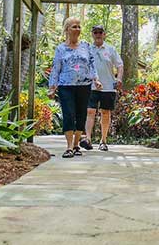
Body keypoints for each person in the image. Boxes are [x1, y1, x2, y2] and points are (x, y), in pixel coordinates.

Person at [47, 17, 101, 159]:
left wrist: (96, 79)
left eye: (79, 26)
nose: (77, 29)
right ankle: (69, 147)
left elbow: (91, 65)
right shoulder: (61, 49)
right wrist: (52, 87)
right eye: (74, 27)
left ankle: (77, 145)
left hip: (84, 85)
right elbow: (56, 69)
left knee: (81, 115)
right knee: (68, 114)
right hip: (66, 86)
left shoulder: (86, 46)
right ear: (67, 30)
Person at [82, 25, 123, 152]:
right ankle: (88, 139)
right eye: (95, 32)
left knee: (105, 113)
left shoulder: (110, 49)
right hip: (91, 86)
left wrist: (119, 79)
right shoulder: (88, 49)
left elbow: (120, 65)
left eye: (100, 32)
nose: (98, 34)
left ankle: (103, 141)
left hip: (108, 87)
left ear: (104, 34)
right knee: (90, 112)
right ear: (92, 34)